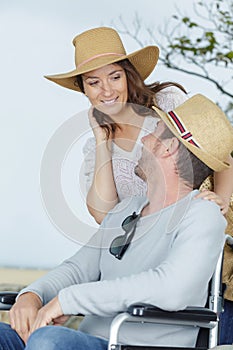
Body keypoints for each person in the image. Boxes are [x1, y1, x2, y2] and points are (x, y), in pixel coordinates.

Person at [0, 94, 233, 349]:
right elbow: (78, 269)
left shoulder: (202, 214)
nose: (143, 139)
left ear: (169, 148)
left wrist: (69, 300)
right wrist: (32, 295)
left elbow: (171, 288)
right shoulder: (127, 208)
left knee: (48, 340)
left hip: (131, 345)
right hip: (90, 341)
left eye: (154, 132)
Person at [44, 26, 233, 224]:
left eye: (115, 77)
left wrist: (217, 204)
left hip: (202, 226)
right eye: (94, 83)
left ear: (128, 76)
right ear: (84, 89)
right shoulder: (96, 147)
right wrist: (102, 141)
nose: (107, 91)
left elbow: (220, 153)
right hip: (154, 244)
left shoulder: (166, 103)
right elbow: (103, 215)